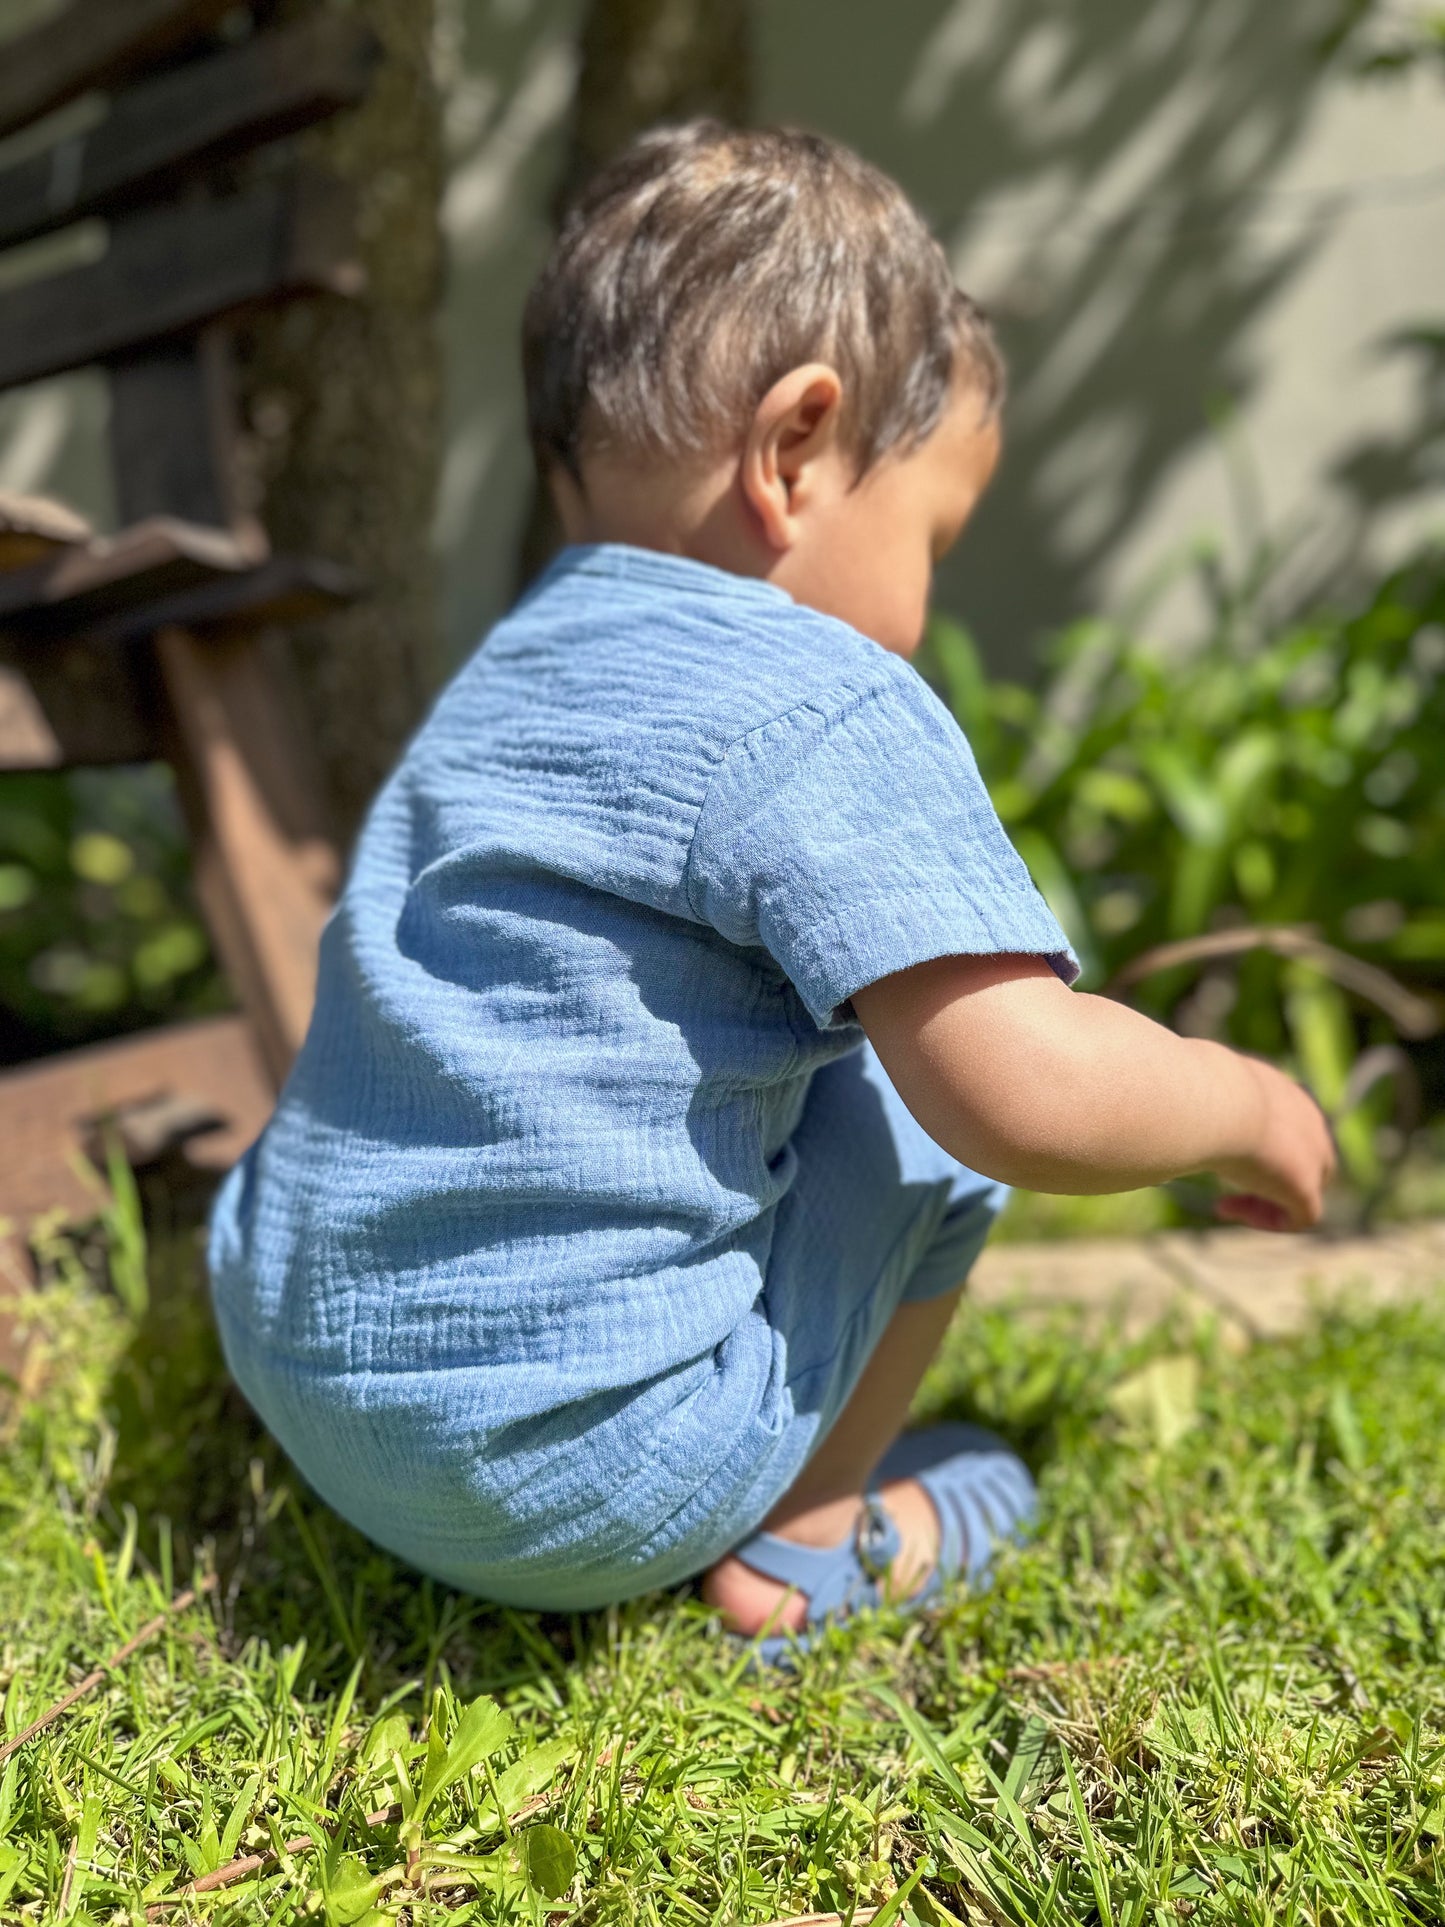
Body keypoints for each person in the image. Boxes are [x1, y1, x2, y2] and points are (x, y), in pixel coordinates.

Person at [208, 122, 1335, 1660]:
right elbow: (1019, 1094)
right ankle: (806, 1545)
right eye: (933, 534)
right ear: (795, 450)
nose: (922, 607)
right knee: (935, 1088)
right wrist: (1245, 1103)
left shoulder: (508, 672)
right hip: (573, 1480)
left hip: (300, 1380)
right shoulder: (818, 694)